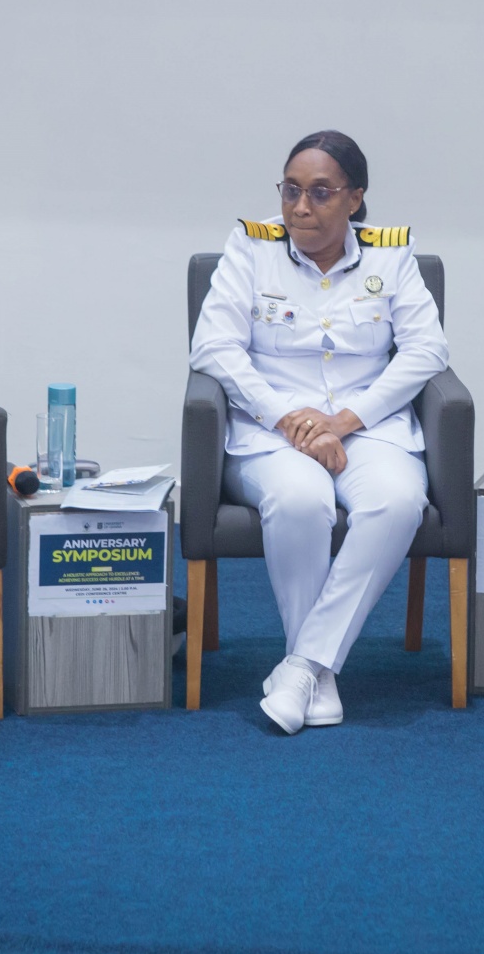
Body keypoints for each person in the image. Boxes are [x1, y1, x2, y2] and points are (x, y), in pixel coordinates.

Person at [189, 132, 448, 734]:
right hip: (269, 433)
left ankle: (306, 667)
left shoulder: (391, 257)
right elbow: (213, 348)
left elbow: (428, 350)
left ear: (355, 199)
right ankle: (319, 673)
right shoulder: (251, 249)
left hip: (367, 431)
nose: (300, 207)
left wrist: (344, 421)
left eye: (320, 193)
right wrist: (292, 419)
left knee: (398, 500)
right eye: (291, 190)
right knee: (301, 498)